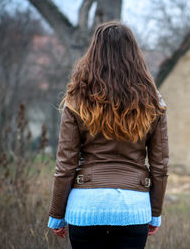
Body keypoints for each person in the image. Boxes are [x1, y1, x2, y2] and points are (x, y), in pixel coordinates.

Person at [46, 20, 169, 249]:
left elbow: (65, 165)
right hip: (134, 209)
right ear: (135, 54)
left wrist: (56, 215)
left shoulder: (77, 99)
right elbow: (160, 166)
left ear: (94, 52)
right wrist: (155, 213)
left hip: (85, 207)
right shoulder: (153, 102)